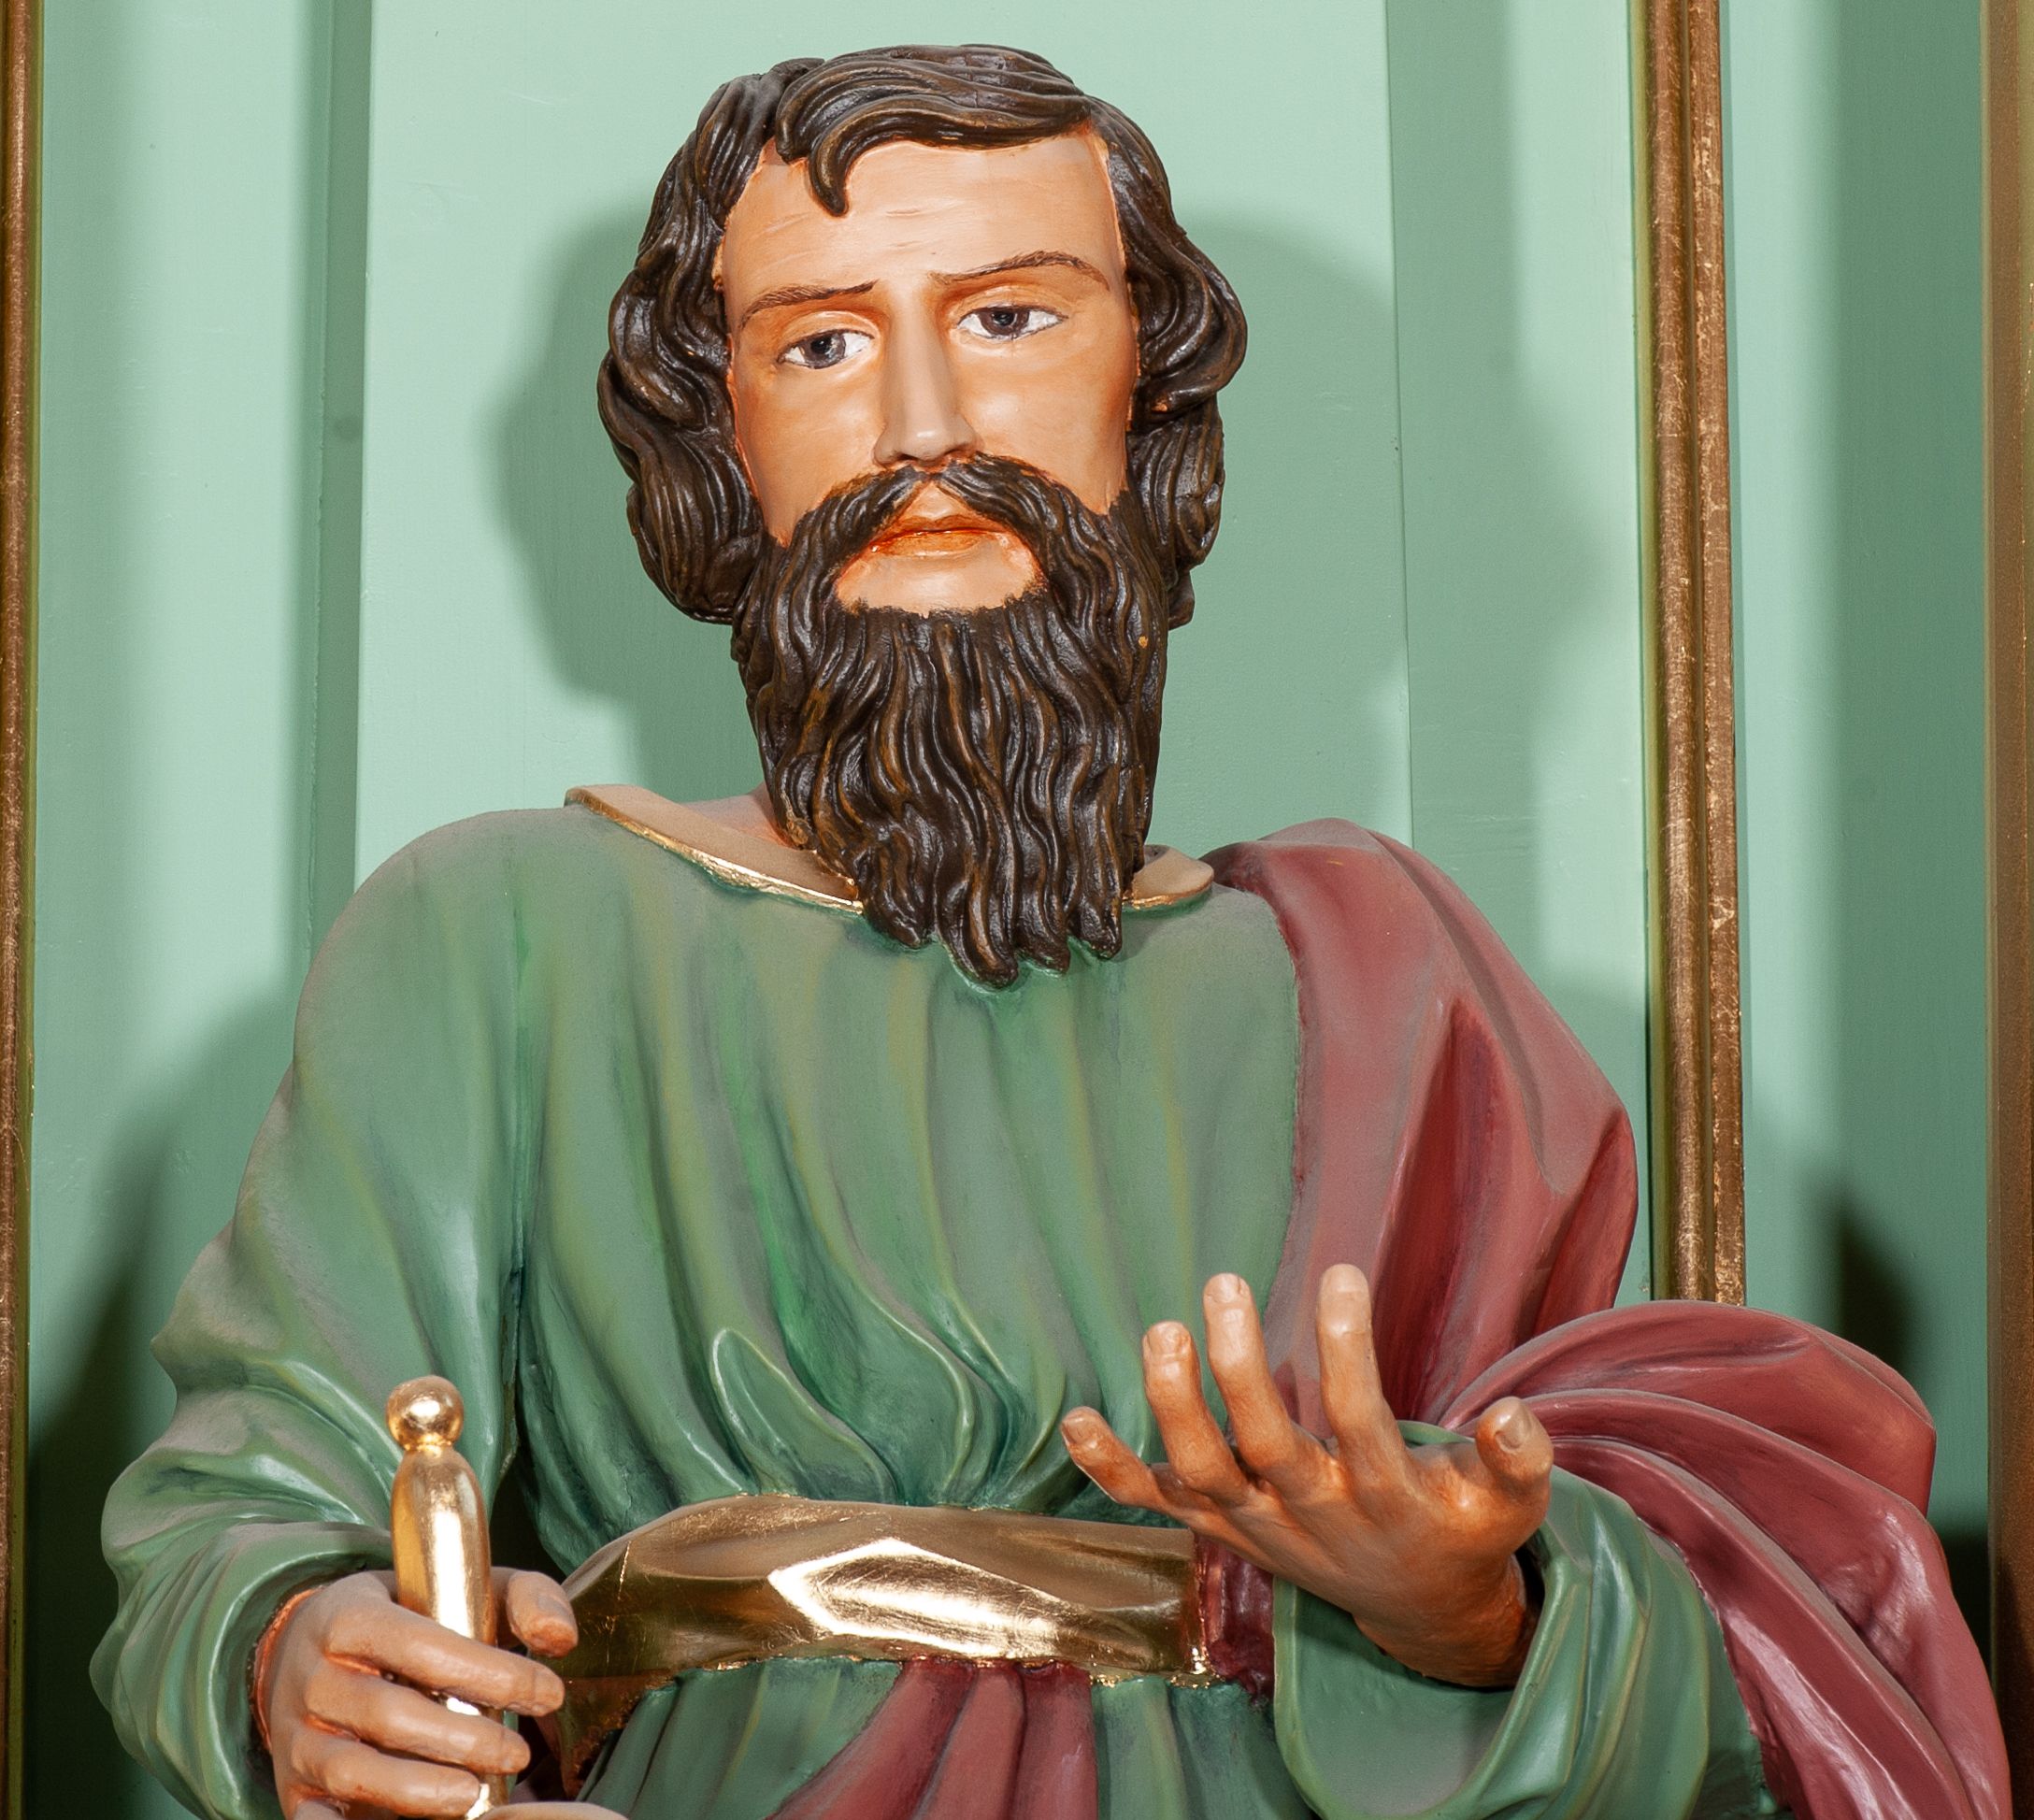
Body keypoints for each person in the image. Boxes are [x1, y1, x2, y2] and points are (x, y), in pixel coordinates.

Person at [95, 44, 2007, 1820]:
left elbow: (1613, 1553)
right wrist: (295, 1649)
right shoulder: (503, 932)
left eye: (1009, 318)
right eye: (823, 343)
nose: (923, 425)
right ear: (721, 438)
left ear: (1144, 396)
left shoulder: (1384, 976)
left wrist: (1467, 1596)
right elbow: (250, 1503)